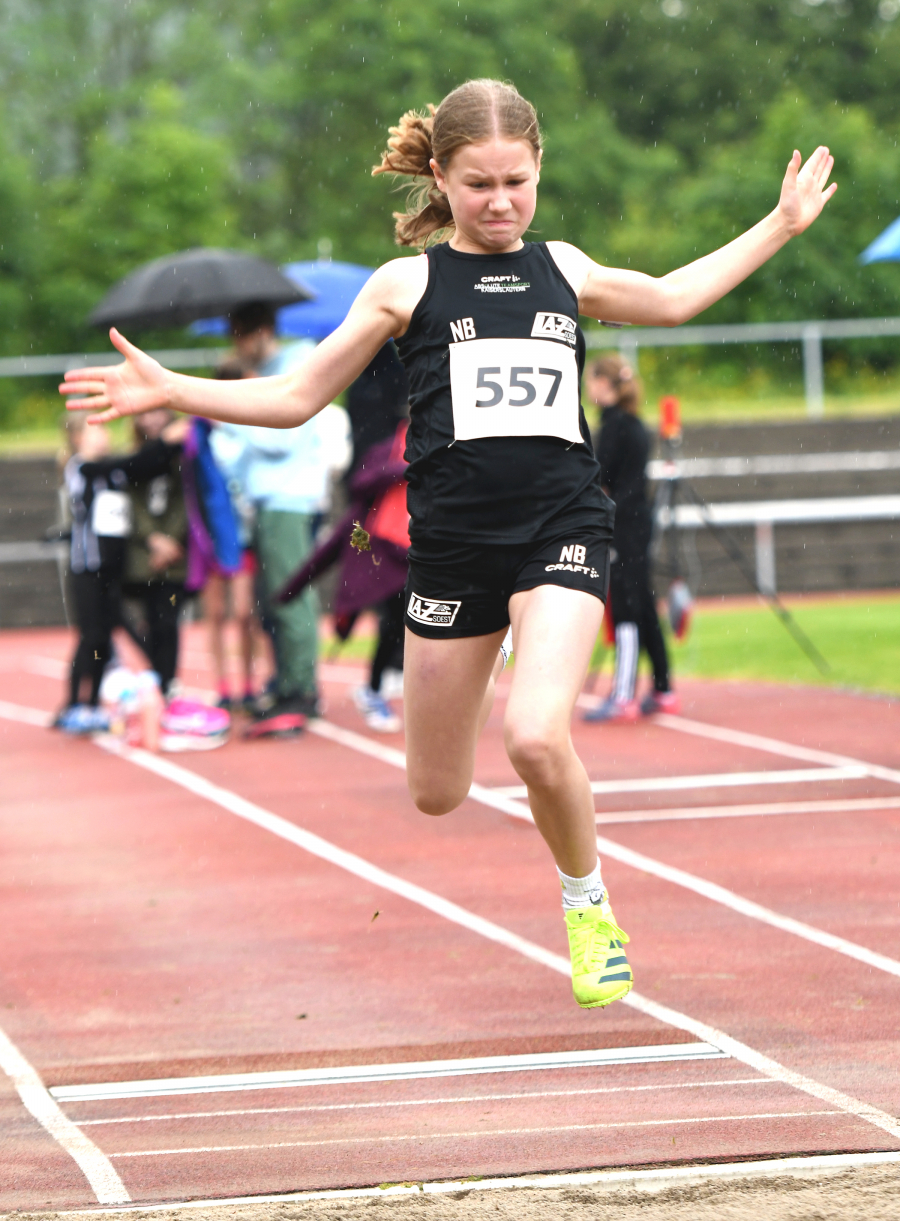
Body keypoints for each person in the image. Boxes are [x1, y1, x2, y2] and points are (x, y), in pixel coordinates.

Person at [62, 78, 836, 1009]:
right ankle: (500, 633)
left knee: (536, 736)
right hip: (454, 558)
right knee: (436, 790)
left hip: (562, 533)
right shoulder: (408, 285)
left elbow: (672, 298)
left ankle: (588, 904)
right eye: (479, 185)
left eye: (517, 181)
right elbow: (295, 397)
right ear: (441, 176)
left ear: (540, 170)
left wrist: (781, 224)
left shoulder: (566, 270)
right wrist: (178, 390)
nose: (502, 202)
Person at [582, 354, 678, 722]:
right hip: (637, 521)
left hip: (625, 524)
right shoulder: (632, 423)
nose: (589, 388)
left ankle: (624, 695)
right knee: (643, 604)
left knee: (625, 606)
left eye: (593, 381)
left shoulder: (617, 426)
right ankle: (664, 687)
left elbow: (599, 474)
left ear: (606, 385)